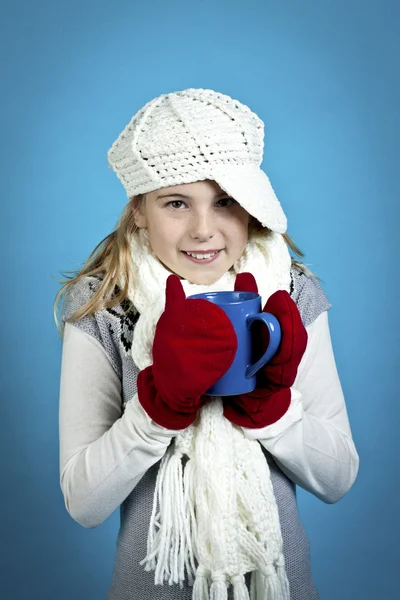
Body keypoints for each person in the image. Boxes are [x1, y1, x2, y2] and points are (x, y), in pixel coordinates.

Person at [55, 88, 359, 600]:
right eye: (176, 202)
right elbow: (84, 504)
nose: (203, 230)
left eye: (225, 202)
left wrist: (271, 410)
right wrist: (156, 411)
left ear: (252, 207)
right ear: (139, 212)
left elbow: (338, 478)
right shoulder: (104, 305)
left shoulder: (290, 294)